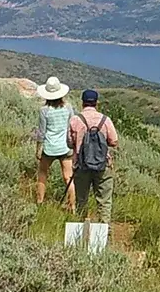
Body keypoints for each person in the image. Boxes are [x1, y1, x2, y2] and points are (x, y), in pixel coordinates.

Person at [69, 89, 120, 224]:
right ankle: (104, 233)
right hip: (103, 164)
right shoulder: (105, 120)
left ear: (82, 103)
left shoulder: (75, 119)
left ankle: (80, 231)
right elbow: (114, 141)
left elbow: (69, 143)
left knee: (81, 199)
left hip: (81, 165)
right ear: (97, 103)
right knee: (104, 201)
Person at [32, 77, 75, 208]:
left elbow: (41, 132)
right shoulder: (68, 107)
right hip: (65, 147)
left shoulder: (44, 110)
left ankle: (40, 202)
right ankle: (72, 205)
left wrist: (38, 148)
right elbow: (71, 126)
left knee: (42, 174)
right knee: (68, 177)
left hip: (49, 148)